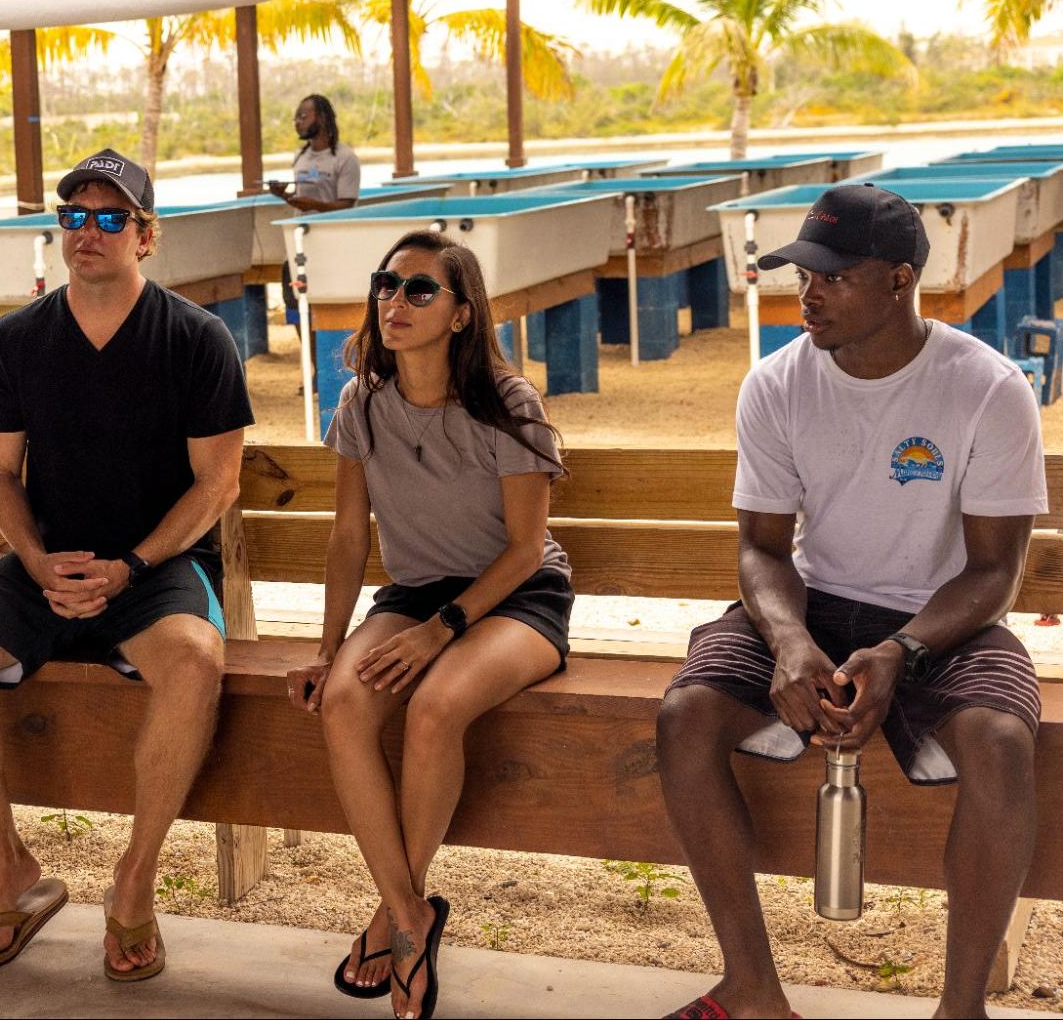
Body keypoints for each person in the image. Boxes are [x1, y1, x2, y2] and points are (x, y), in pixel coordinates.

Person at [656, 184, 1045, 1020]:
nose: (808, 293)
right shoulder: (776, 383)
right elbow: (761, 548)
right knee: (684, 714)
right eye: (803, 272)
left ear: (899, 279)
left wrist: (902, 651)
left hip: (945, 617)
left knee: (1003, 741)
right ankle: (753, 989)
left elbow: (993, 573)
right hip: (811, 604)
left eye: (833, 275)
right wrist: (790, 640)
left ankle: (959, 1008)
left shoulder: (985, 387)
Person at [0, 148, 254, 981]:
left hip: (156, 564)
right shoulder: (18, 337)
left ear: (146, 236)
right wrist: (32, 560)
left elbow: (218, 483)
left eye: (108, 219)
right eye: (72, 217)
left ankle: (134, 884)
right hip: (45, 558)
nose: (86, 232)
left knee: (196, 660)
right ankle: (8, 870)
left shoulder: (195, 338)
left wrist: (130, 566)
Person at [286, 230, 573, 1020]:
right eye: (387, 285)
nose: (395, 302)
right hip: (414, 595)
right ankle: (412, 913)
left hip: (515, 598)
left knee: (435, 705)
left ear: (459, 313)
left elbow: (522, 551)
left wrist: (442, 629)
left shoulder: (506, 403)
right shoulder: (360, 403)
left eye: (419, 290)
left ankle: (388, 917)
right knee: (342, 700)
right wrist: (325, 648)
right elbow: (349, 538)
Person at [270, 93, 363, 325]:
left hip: (331, 243)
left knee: (329, 307)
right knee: (295, 303)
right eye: (295, 118)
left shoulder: (345, 158)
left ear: (321, 117)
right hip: (300, 239)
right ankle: (309, 358)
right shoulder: (300, 156)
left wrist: (315, 206)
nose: (297, 122)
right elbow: (301, 200)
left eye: (303, 116)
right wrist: (284, 195)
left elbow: (347, 203)